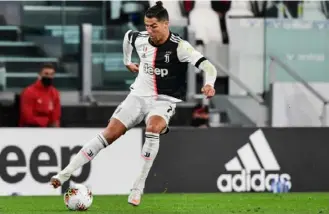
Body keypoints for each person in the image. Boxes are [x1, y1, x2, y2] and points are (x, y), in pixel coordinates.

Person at [50, 1, 217, 206]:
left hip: (164, 99)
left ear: (166, 24)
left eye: (153, 26)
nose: (149, 30)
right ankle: (65, 173)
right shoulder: (141, 39)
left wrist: (209, 84)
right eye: (146, 25)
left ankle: (138, 187)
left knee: (153, 128)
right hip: (138, 95)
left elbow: (208, 66)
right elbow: (128, 37)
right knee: (110, 133)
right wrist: (127, 61)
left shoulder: (180, 47)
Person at [19, 63, 61, 127]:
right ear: (39, 75)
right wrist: (46, 121)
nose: (49, 77)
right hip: (30, 129)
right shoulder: (29, 92)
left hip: (49, 129)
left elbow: (56, 116)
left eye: (52, 74)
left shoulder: (55, 92)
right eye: (46, 74)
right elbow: (27, 117)